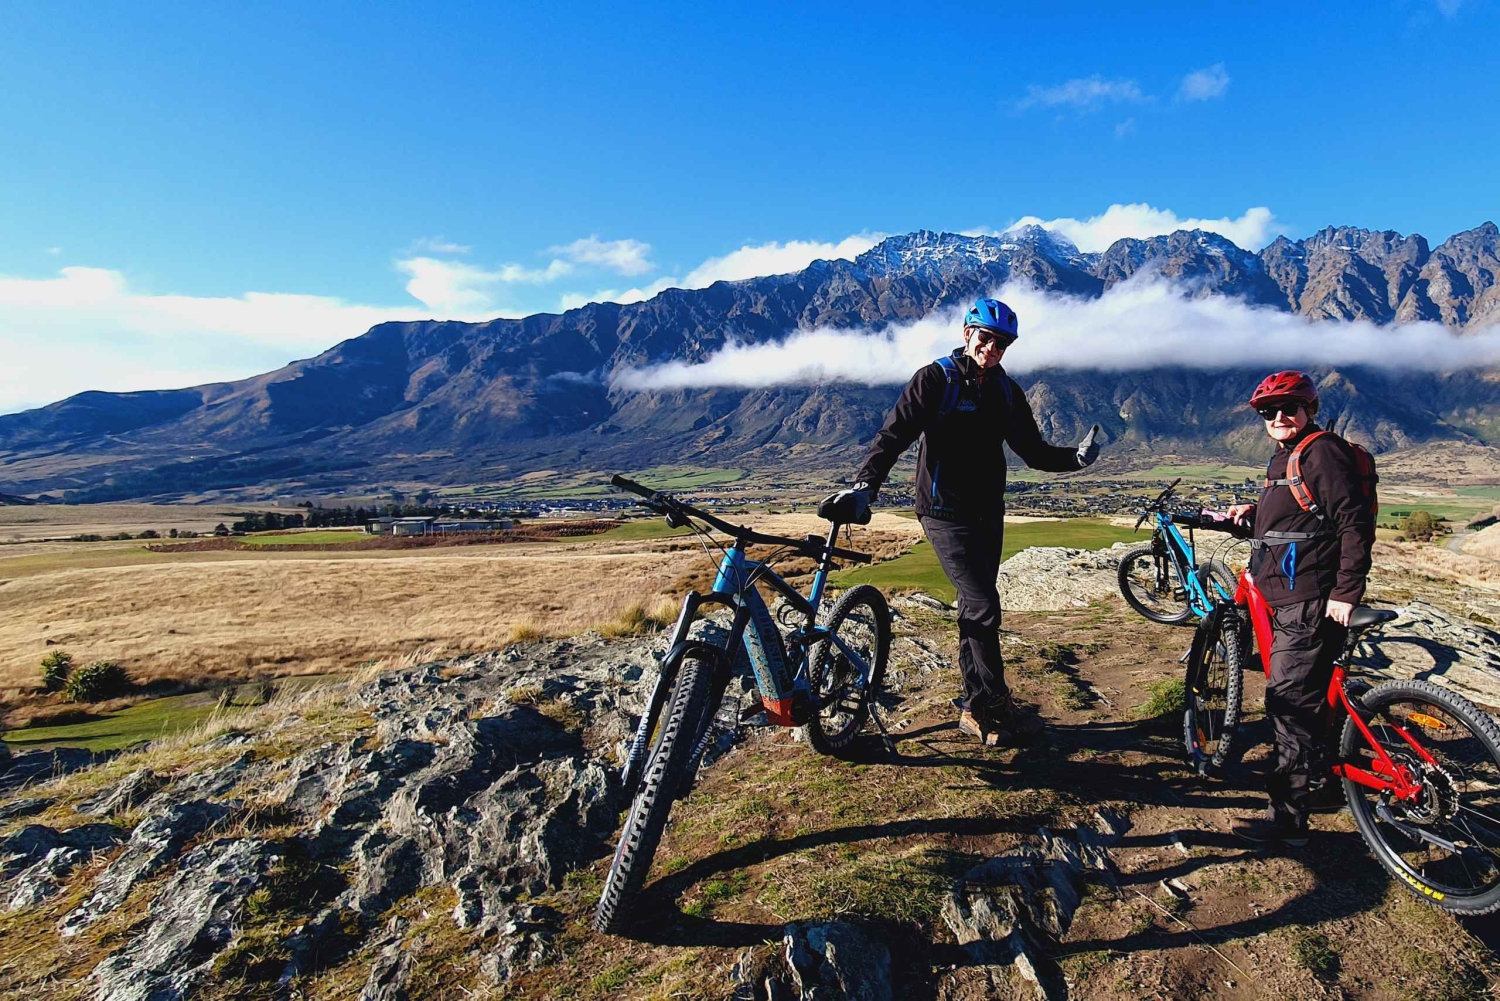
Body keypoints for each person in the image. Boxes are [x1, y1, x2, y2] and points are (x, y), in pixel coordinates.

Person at [820, 297, 1103, 745]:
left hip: (988, 513)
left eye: (1002, 343)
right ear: (967, 333)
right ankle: (996, 706)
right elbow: (892, 437)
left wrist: (1076, 459)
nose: (993, 348)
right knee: (984, 604)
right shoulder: (935, 379)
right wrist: (864, 488)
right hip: (944, 515)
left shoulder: (1006, 392)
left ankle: (975, 708)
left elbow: (1033, 451)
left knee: (976, 608)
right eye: (986, 338)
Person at [1224, 370, 1376, 846]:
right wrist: (1253, 516)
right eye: (1269, 411)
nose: (1279, 417)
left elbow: (1353, 525)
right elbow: (1301, 519)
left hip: (1309, 601)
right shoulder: (1286, 456)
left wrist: (1346, 592)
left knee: (1288, 704)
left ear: (1309, 408)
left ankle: (1288, 823)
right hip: (1290, 594)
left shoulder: (1320, 451)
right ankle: (1328, 784)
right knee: (1315, 699)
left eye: (1289, 407)